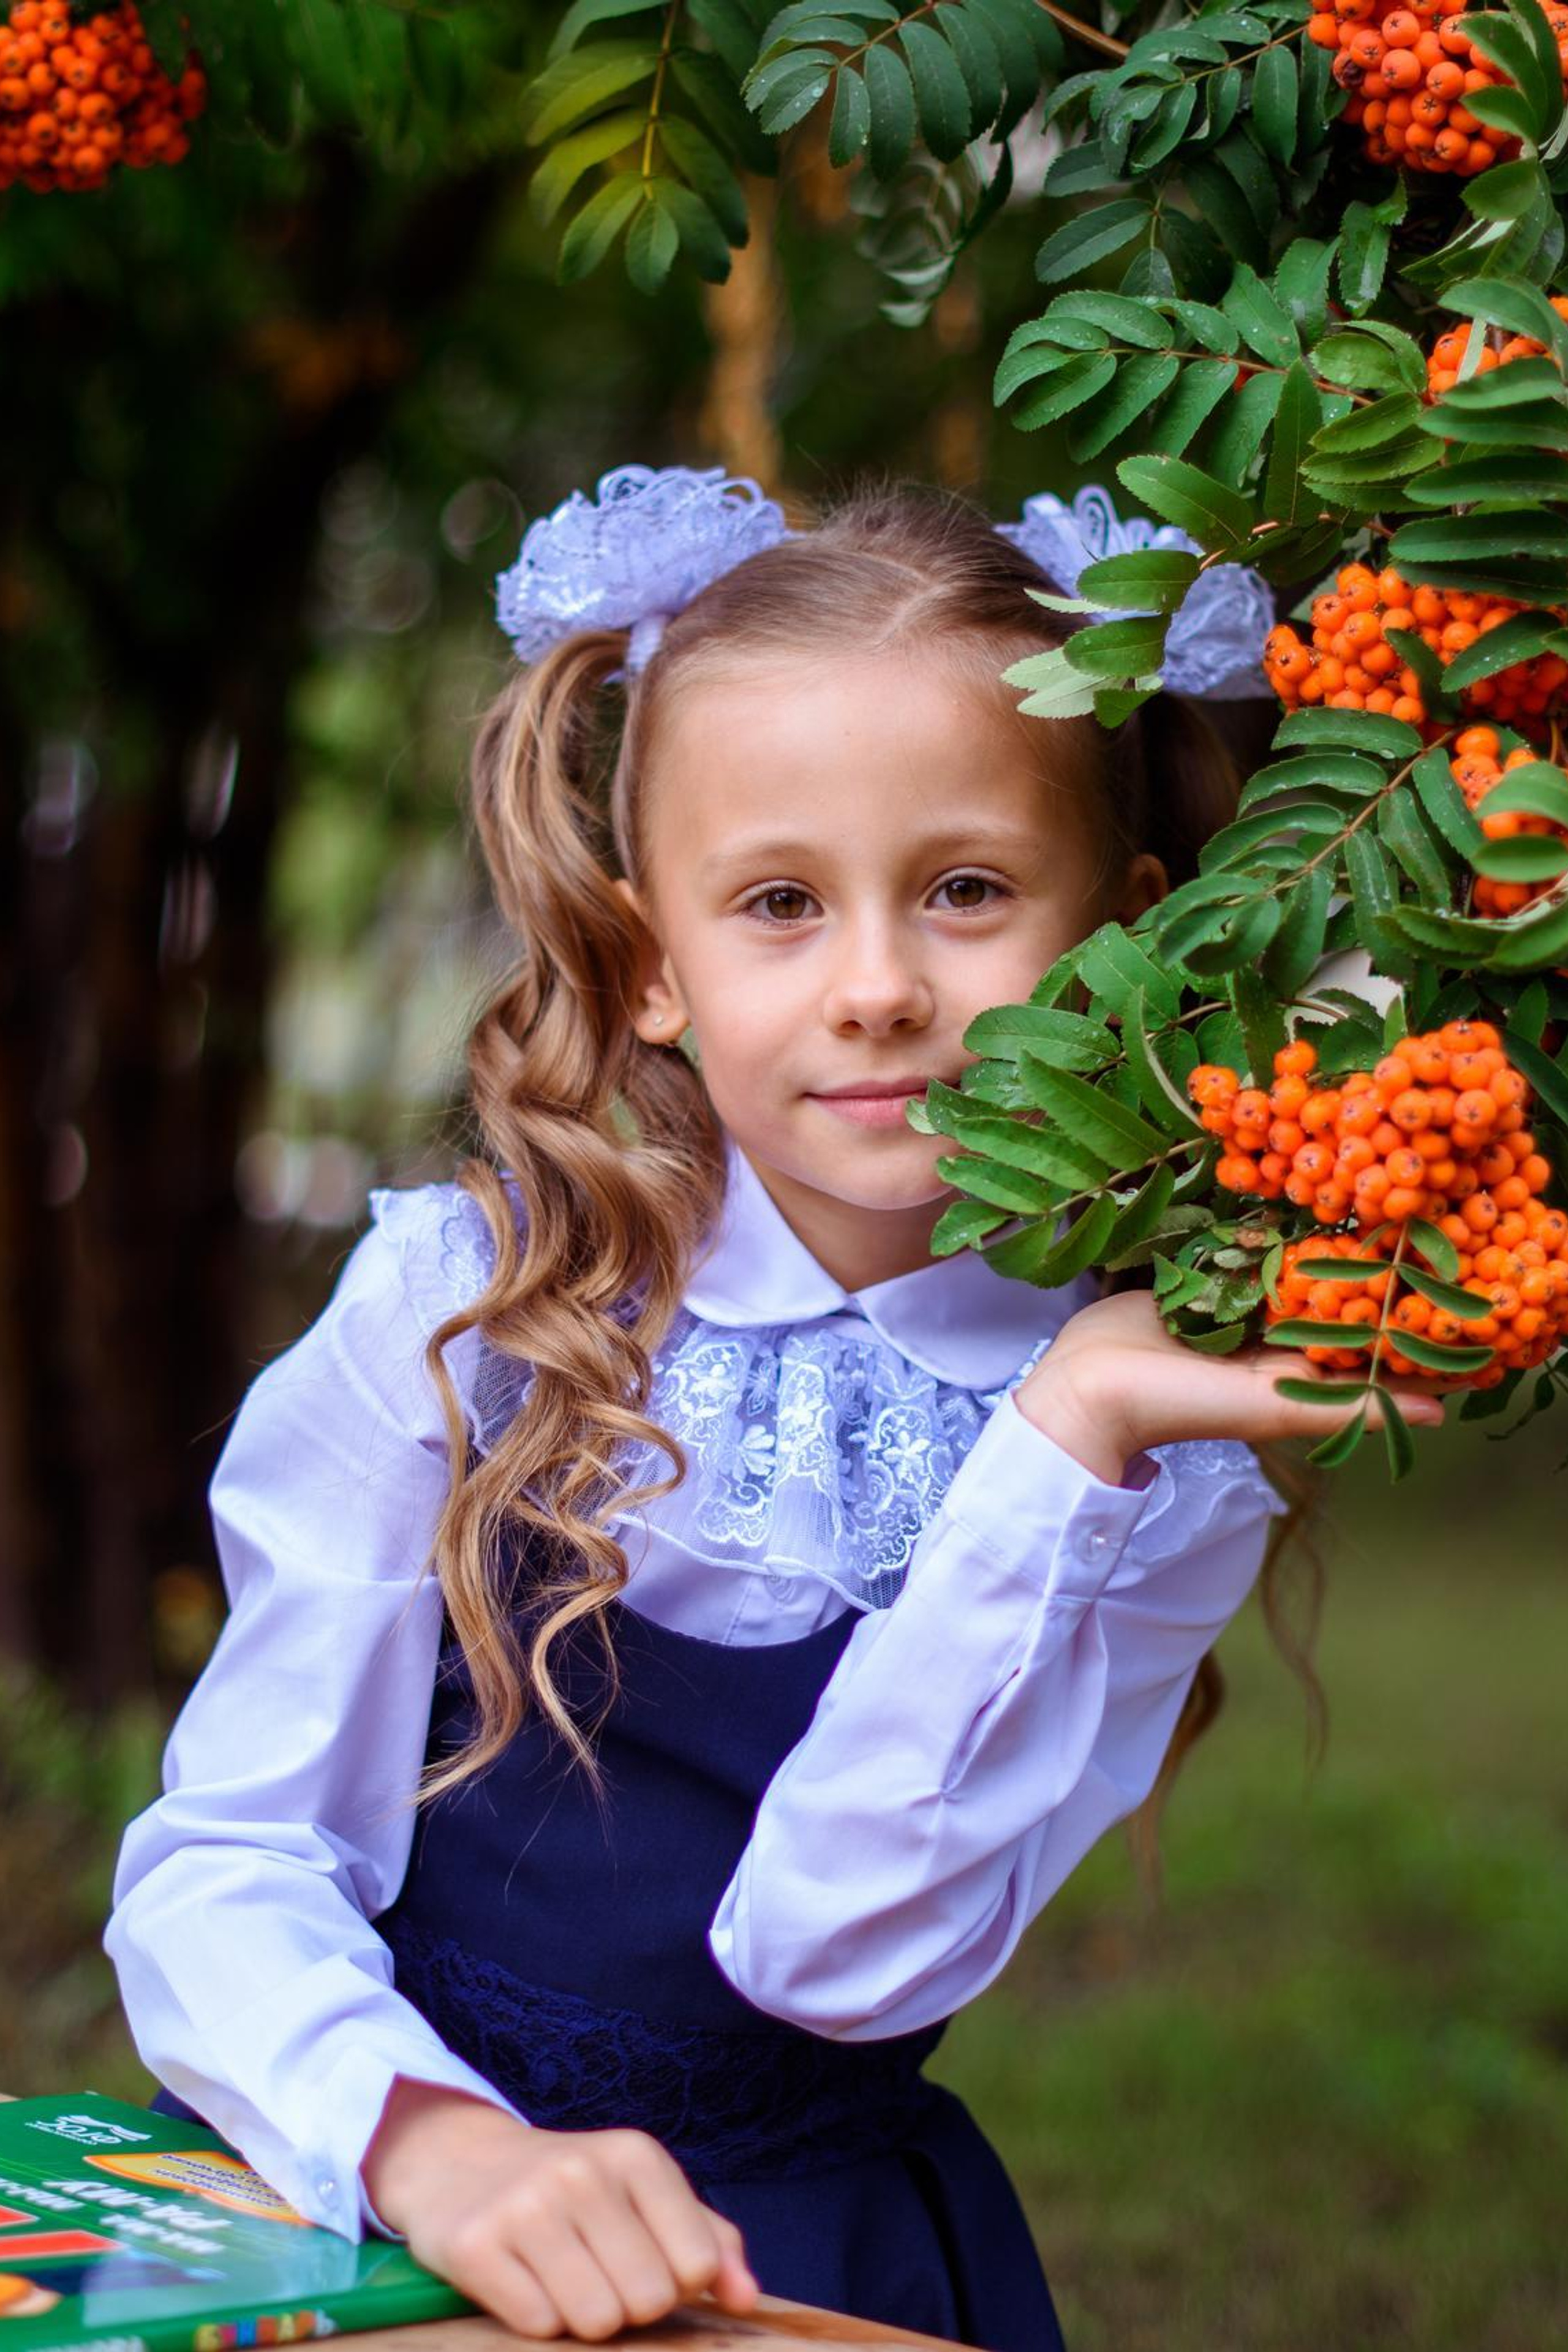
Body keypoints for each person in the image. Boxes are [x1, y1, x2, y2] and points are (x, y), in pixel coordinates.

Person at [104, 467, 1446, 2352]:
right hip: (375, 2209)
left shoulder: (1153, 1438)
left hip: (802, 2269)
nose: (879, 988)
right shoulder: (468, 1310)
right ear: (653, 963)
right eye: (782, 904)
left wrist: (1069, 1434)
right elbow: (225, 1865)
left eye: (966, 890)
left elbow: (836, 1959)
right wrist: (433, 2147)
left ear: (1130, 931)